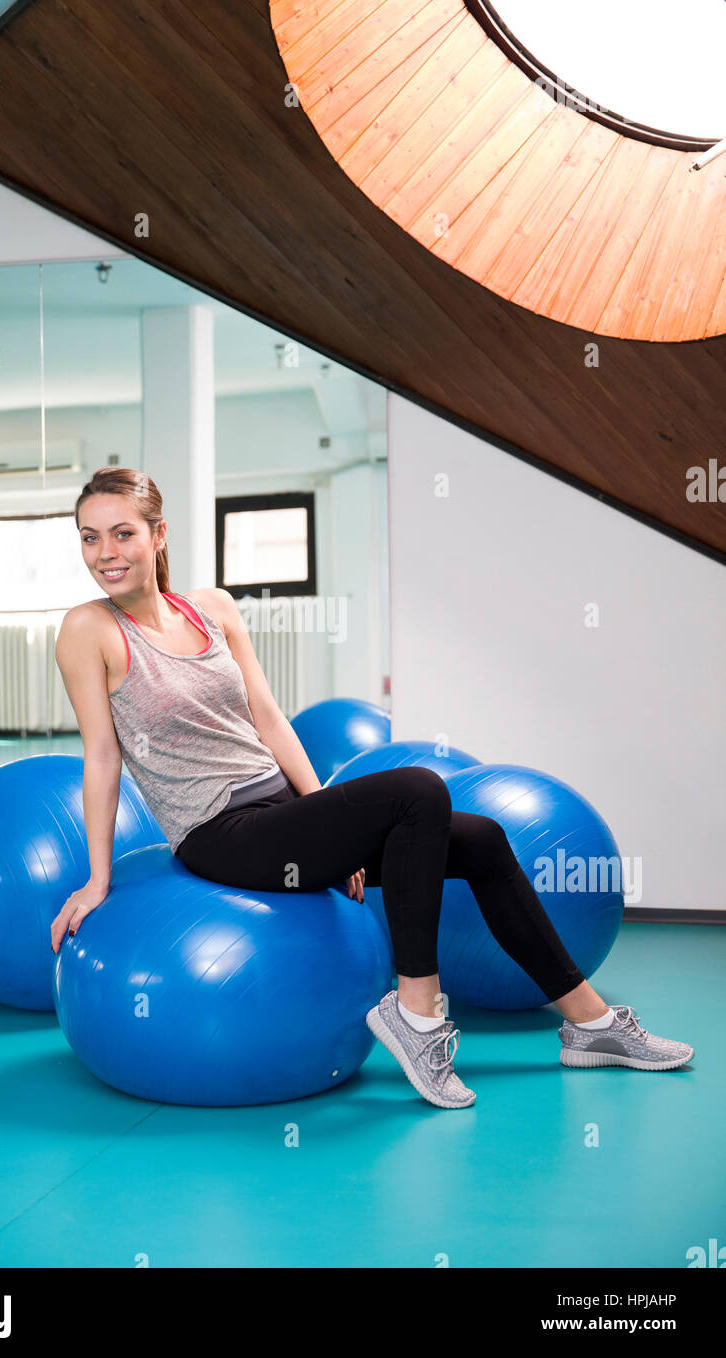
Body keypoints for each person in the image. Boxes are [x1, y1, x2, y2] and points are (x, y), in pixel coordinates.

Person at [51, 467, 694, 1109]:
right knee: (418, 790)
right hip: (220, 833)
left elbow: (269, 720)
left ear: (158, 535)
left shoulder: (211, 608)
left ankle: (590, 1025)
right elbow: (103, 756)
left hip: (280, 815)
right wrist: (97, 878)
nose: (105, 553)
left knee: (482, 839)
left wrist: (329, 830)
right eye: (89, 538)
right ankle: (416, 1016)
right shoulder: (90, 630)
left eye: (123, 533)